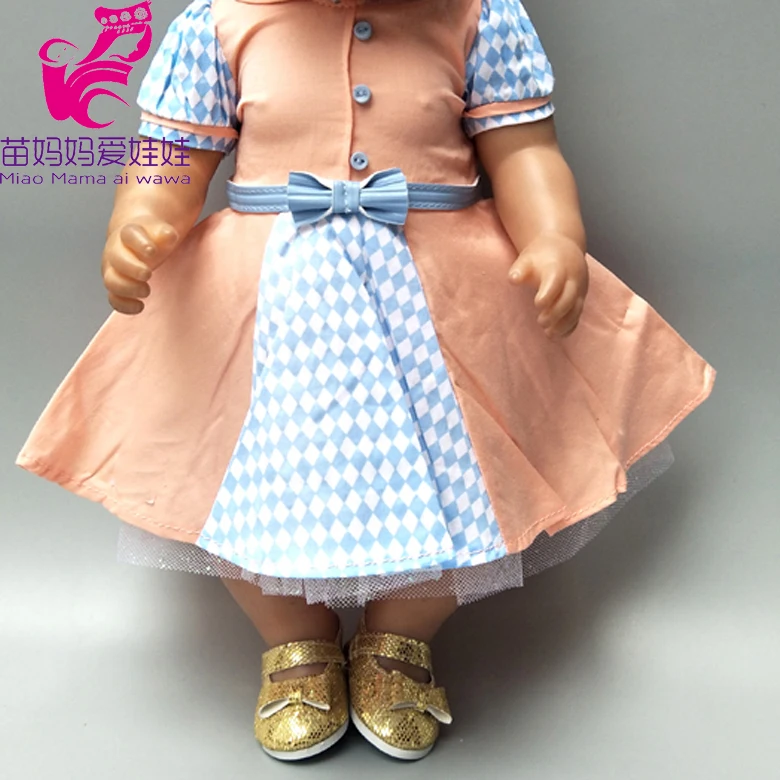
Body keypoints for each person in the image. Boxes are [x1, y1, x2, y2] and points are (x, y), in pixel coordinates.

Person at [16, 0, 716, 763]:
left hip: (441, 301)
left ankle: (400, 638)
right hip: (272, 306)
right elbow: (170, 154)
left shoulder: (476, 17)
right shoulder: (221, 24)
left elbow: (525, 153)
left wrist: (553, 236)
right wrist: (140, 221)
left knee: (463, 479)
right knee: (243, 483)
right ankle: (294, 642)